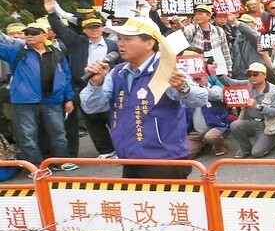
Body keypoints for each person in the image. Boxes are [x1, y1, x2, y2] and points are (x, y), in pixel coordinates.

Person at [81, 16, 208, 179]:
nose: (121, 43)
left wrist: (183, 87)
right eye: (119, 38)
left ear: (149, 43)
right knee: (138, 205)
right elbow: (92, 107)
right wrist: (96, 84)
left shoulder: (166, 68)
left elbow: (200, 99)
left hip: (165, 159)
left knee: (162, 204)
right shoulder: (117, 72)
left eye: (128, 39)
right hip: (130, 157)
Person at [45, 0, 117, 158]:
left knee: (114, 119)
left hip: (109, 86)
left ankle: (121, 148)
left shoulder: (113, 45)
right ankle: (106, 150)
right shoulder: (78, 42)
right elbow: (61, 30)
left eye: (97, 27)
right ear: (84, 30)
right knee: (92, 121)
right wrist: (52, 13)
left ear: (102, 28)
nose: (94, 30)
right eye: (90, 28)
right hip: (84, 86)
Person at [1, 21, 76, 174]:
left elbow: (66, 76)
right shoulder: (17, 50)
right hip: (24, 101)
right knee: (28, 136)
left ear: (44, 35)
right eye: (26, 32)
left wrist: (69, 98)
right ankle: (34, 167)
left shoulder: (57, 53)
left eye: (34, 32)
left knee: (58, 134)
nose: (29, 35)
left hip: (52, 100)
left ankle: (61, 161)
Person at [226, 62, 275, 158]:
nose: (252, 77)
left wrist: (258, 106)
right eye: (249, 75)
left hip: (267, 125)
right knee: (235, 125)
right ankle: (245, 148)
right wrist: (218, 72)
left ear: (264, 75)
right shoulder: (247, 85)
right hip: (251, 122)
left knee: (257, 153)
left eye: (255, 74)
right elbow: (229, 82)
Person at [186, 68, 231, 158]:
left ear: (206, 77)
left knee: (211, 136)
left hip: (217, 127)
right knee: (186, 154)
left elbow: (217, 95)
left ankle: (222, 146)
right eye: (194, 80)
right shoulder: (189, 94)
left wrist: (199, 88)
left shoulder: (215, 88)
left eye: (199, 79)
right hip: (196, 133)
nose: (197, 82)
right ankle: (204, 146)